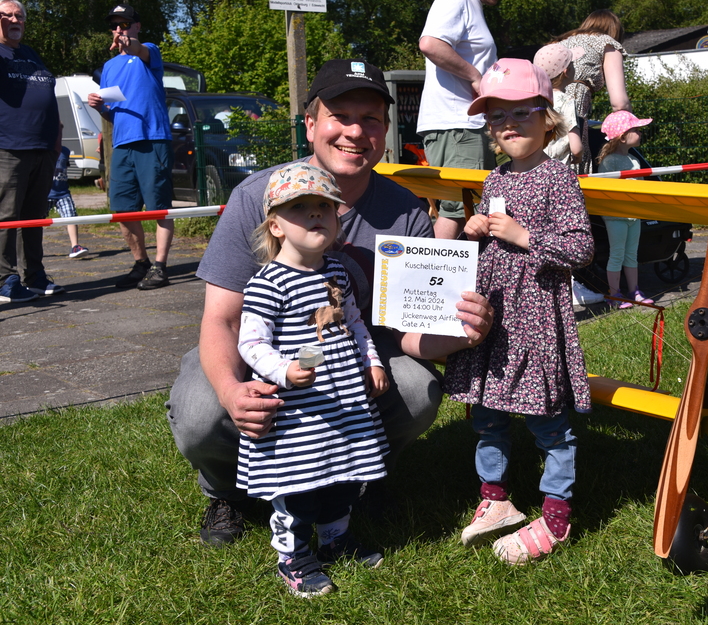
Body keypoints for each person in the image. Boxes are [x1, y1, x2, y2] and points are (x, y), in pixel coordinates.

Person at [165, 59, 494, 548]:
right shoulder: (258, 196)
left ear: (384, 130)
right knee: (199, 412)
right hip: (262, 352)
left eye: (371, 119)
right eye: (340, 116)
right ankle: (226, 491)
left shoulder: (405, 210)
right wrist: (232, 392)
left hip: (350, 357)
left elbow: (405, 331)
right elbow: (223, 319)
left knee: (417, 389)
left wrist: (463, 332)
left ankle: (359, 473)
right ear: (310, 124)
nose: (355, 132)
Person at [445, 58, 593, 564]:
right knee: (487, 412)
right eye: (496, 117)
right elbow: (491, 239)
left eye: (520, 113)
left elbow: (581, 248)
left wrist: (524, 236)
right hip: (493, 316)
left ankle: (556, 516)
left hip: (536, 319)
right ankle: (496, 499)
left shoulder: (559, 179)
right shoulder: (495, 179)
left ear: (547, 118)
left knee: (548, 422)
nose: (508, 125)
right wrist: (475, 230)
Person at [237, 162, 389, 597]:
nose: (316, 214)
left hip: (344, 402)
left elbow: (355, 324)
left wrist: (372, 362)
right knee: (299, 486)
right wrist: (284, 370)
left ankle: (336, 539)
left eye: (324, 207)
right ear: (276, 226)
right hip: (300, 413)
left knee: (343, 477)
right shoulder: (268, 282)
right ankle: (294, 556)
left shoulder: (336, 272)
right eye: (300, 208)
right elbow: (251, 342)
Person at [417, 0, 518, 240]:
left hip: (465, 126)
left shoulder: (469, 4)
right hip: (458, 126)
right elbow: (430, 44)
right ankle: (426, 272)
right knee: (459, 211)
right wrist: (475, 77)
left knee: (472, 211)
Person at [87, 4, 174, 290]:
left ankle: (160, 267)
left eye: (124, 24)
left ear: (137, 26)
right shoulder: (109, 67)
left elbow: (138, 49)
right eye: (115, 25)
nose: (119, 30)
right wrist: (99, 107)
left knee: (159, 207)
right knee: (123, 210)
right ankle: (142, 263)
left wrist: (129, 43)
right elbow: (112, 113)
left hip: (152, 139)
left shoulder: (148, 51)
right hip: (122, 144)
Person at [0, 0, 64, 303]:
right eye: (7, 15)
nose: (15, 20)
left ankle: (34, 275)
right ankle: (5, 279)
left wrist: (56, 138)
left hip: (43, 148)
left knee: (35, 217)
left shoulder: (31, 54)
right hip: (8, 149)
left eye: (19, 16)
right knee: (6, 217)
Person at [533, 42, 602, 306]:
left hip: (533, 172)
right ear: (564, 72)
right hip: (558, 177)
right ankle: (570, 287)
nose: (574, 68)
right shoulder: (565, 99)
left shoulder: (535, 99)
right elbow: (575, 147)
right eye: (572, 64)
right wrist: (579, 158)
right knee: (563, 232)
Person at [558, 10, 632, 174]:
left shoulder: (560, 43)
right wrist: (631, 125)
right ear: (614, 32)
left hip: (543, 113)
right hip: (574, 114)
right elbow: (619, 103)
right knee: (572, 168)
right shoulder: (607, 43)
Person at [594, 111, 655, 309]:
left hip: (632, 214)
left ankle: (634, 291)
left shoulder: (634, 160)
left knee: (631, 254)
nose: (640, 132)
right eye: (635, 129)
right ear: (622, 137)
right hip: (616, 216)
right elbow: (607, 190)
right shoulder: (609, 162)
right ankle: (614, 294)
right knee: (617, 254)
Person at [50, 125, 89, 258]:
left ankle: (75, 246)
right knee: (37, 220)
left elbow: (65, 169)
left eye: (60, 133)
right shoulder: (43, 151)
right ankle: (31, 248)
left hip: (62, 193)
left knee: (71, 216)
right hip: (44, 193)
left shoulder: (65, 151)